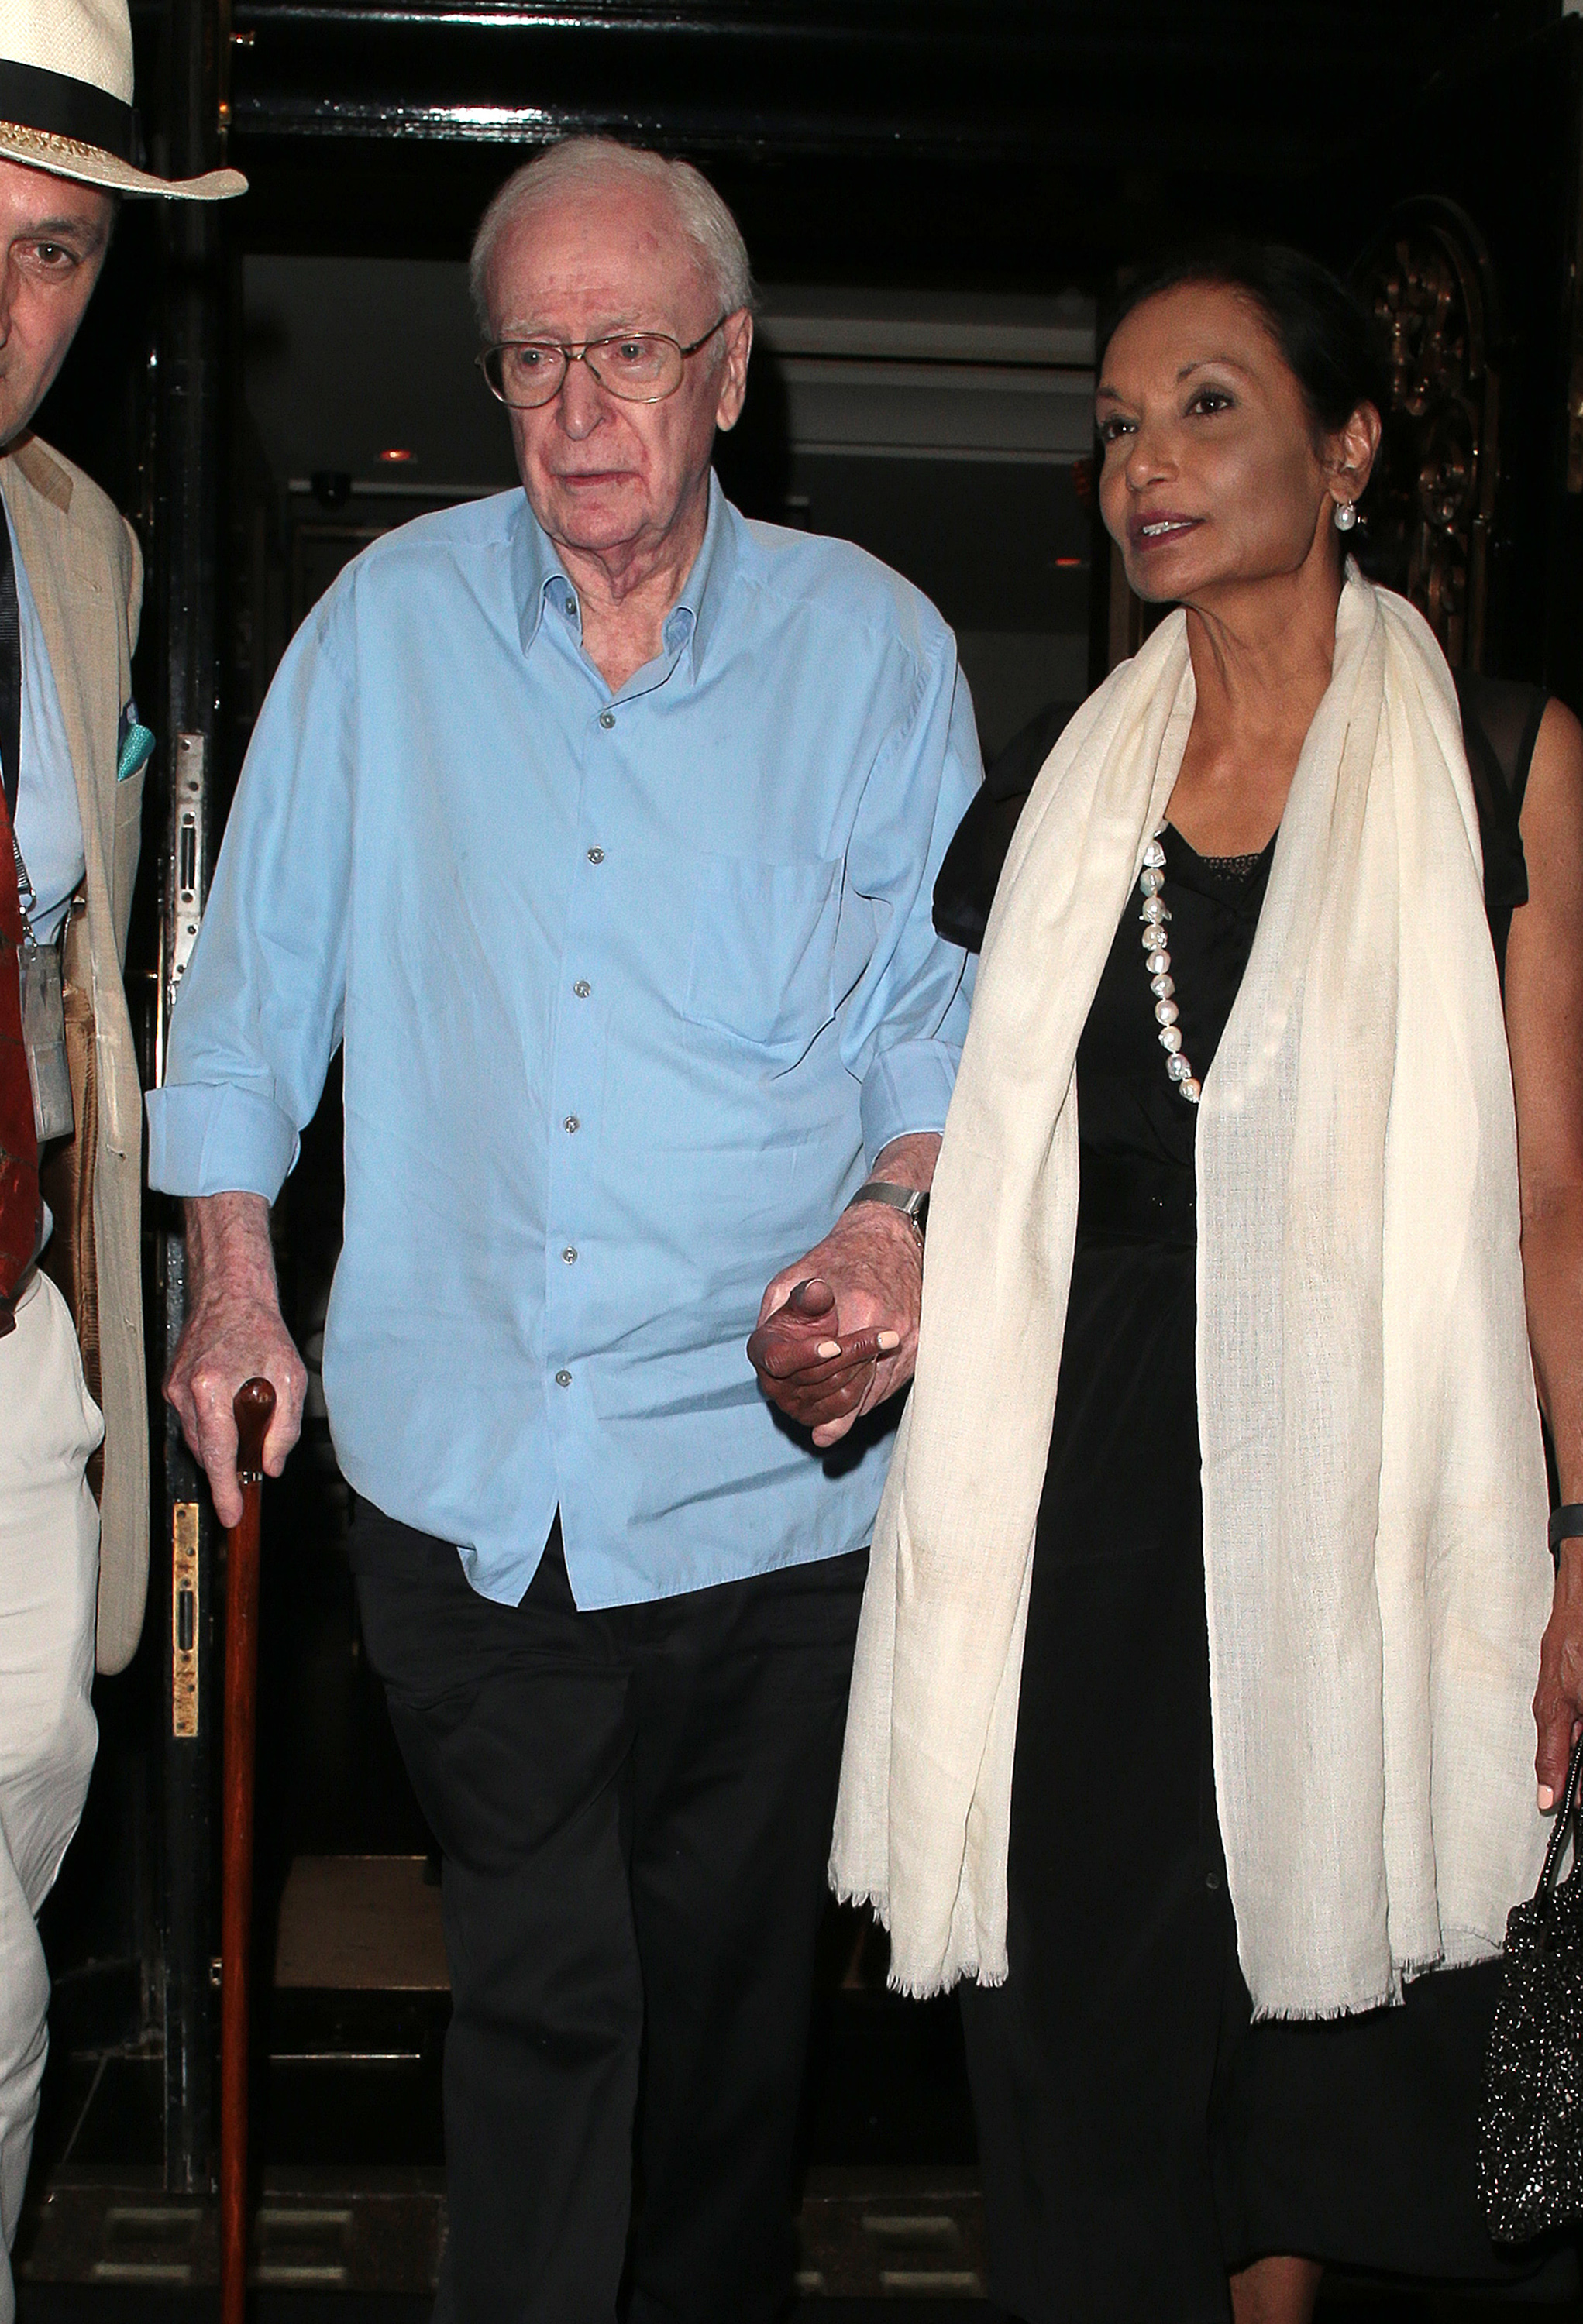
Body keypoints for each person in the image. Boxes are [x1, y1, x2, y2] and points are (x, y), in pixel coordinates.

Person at [147, 136, 979, 2324]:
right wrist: (233, 1270)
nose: (577, 412)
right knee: (548, 1999)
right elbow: (251, 1001)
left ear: (729, 366)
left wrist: (897, 1225)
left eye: (625, 353)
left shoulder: (876, 654)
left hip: (770, 1487)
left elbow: (932, 1019)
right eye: (533, 359)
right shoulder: (388, 634)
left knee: (723, 2036)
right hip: (465, 1476)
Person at [824, 246, 1583, 2324]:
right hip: (1088, 1499)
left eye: (1206, 404)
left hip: (1371, 1482)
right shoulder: (1059, 790)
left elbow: (1556, 1196)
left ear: (1347, 442)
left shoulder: (1492, 754)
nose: (1145, 462)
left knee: (1320, 2052)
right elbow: (982, 1147)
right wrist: (874, 1268)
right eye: (1115, 422)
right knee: (1099, 2026)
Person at [0, 7, 243, 2313]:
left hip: (15, 1338)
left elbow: (86, 974)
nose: (8, 304)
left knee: (10, 1901)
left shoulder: (78, 541)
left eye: (55, 252)